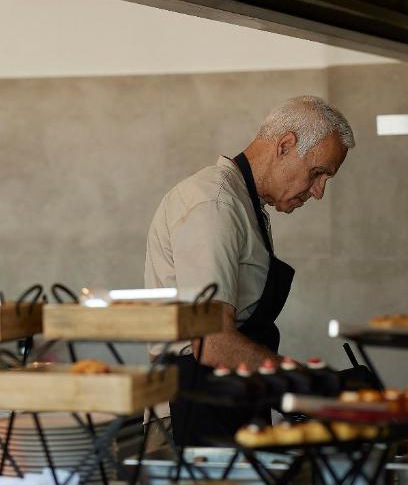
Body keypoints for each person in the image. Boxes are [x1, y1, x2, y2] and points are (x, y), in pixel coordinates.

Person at [144, 95, 354, 445]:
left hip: (229, 402)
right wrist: (305, 383)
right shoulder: (214, 203)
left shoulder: (243, 203)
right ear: (285, 146)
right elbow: (211, 343)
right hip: (191, 410)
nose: (318, 192)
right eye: (318, 173)